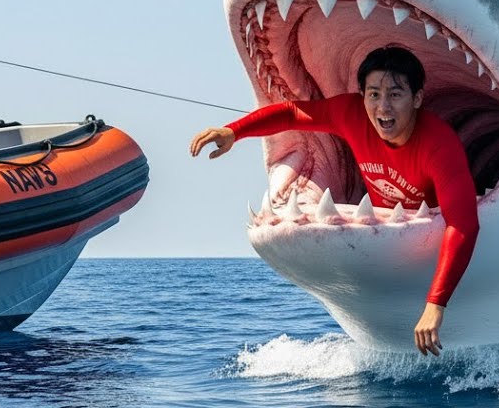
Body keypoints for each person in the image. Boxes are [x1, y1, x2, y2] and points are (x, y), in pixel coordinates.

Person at [189, 45, 479, 356]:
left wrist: (435, 305)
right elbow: (291, 113)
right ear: (362, 95)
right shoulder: (352, 114)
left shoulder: (439, 144)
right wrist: (234, 131)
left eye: (395, 95)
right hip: (388, 240)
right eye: (374, 94)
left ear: (417, 99)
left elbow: (463, 225)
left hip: (431, 243)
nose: (383, 108)